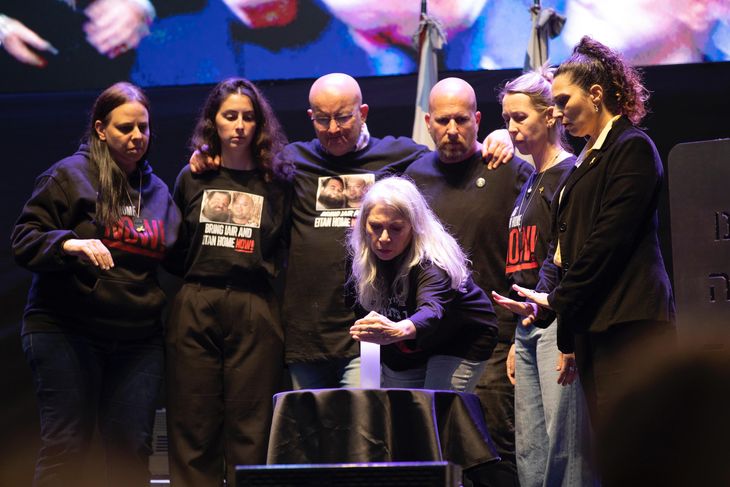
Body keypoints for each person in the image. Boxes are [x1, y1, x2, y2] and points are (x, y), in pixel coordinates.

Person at [190, 72, 514, 391]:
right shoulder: (293, 160)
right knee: (312, 423)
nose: (333, 128)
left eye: (343, 117)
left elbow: (451, 148)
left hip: (367, 333)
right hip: (306, 333)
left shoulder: (400, 154)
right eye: (323, 119)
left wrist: (498, 136)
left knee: (364, 421)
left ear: (363, 113)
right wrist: (207, 153)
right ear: (311, 117)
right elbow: (242, 162)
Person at [491, 36, 676, 428]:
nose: (558, 113)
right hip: (597, 326)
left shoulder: (631, 147)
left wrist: (556, 299)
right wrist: (546, 306)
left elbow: (606, 242)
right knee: (612, 448)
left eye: (563, 101)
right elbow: (565, 247)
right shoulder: (587, 159)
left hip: (631, 324)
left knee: (640, 445)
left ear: (595, 94)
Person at [10, 82, 180, 487]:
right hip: (67, 330)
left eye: (143, 127)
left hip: (137, 339)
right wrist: (70, 243)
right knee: (67, 446)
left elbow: (180, 254)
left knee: (131, 450)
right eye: (125, 128)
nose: (137, 136)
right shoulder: (69, 176)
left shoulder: (156, 191)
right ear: (101, 129)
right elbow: (23, 239)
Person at [405, 77, 533, 486]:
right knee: (433, 453)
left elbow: (536, 252)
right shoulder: (413, 177)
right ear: (428, 122)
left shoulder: (509, 170)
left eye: (461, 120)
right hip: (430, 341)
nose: (452, 130)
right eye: (443, 121)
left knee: (493, 451)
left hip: (493, 339)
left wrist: (518, 335)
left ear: (478, 120)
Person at [165, 77, 292, 487]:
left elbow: (283, 246)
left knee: (251, 429)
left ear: (260, 124)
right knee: (193, 423)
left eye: (248, 117)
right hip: (197, 302)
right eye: (230, 116)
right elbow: (174, 247)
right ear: (213, 121)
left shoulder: (277, 180)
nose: (239, 125)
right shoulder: (193, 177)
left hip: (255, 305)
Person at [499, 69, 597, 487]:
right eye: (507, 119)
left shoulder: (570, 174)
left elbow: (569, 256)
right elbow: (527, 260)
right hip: (527, 326)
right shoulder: (530, 181)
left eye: (520, 117)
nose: (512, 128)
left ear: (551, 116)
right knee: (531, 450)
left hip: (556, 323)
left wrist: (561, 326)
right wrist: (514, 336)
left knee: (566, 447)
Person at [348, 176, 499, 391]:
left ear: (414, 227)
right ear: (364, 224)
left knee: (435, 404)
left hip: (460, 336)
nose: (384, 238)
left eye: (396, 228)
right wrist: (371, 380)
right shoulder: (362, 259)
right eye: (376, 226)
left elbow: (432, 311)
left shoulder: (433, 261)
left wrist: (397, 330)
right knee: (404, 406)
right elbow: (364, 317)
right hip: (407, 342)